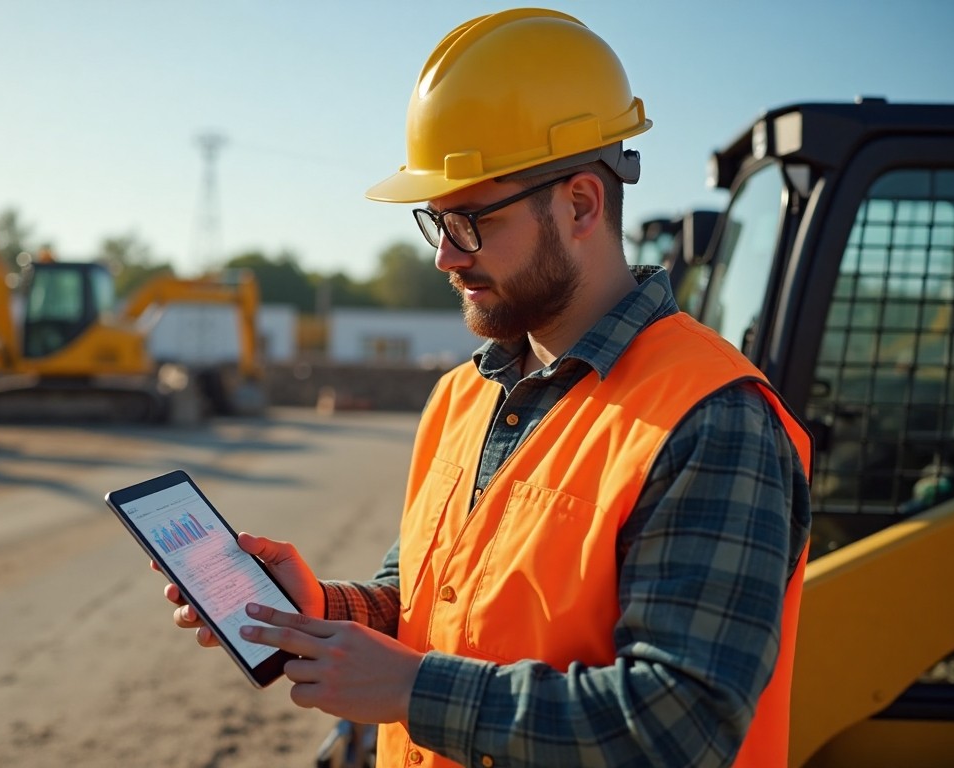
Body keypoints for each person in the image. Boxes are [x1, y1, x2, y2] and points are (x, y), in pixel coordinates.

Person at [162, 8, 812, 767]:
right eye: (433, 221)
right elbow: (430, 607)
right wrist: (322, 609)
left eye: (468, 220)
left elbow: (677, 726)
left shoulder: (711, 418)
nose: (445, 256)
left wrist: (413, 693)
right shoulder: (462, 398)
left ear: (579, 205)